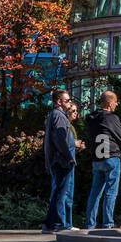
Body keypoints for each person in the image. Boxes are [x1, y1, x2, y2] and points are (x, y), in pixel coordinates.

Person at [84, 90, 121, 230]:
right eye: (115, 101)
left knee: (95, 192)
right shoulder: (111, 117)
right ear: (109, 103)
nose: (116, 104)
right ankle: (107, 223)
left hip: (97, 158)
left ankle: (90, 223)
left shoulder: (90, 118)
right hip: (111, 157)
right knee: (110, 192)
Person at [42, 89, 77, 232]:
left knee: (58, 192)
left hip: (58, 159)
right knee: (60, 194)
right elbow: (60, 139)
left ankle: (49, 224)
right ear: (59, 102)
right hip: (62, 161)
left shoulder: (55, 115)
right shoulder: (59, 116)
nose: (69, 103)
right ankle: (56, 224)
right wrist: (69, 157)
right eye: (67, 100)